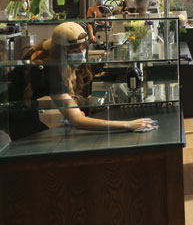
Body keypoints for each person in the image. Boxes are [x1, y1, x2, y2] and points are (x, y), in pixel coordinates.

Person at [7, 22, 155, 140]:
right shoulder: (50, 71)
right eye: (76, 51)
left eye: (83, 49)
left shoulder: (48, 50)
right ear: (62, 52)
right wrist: (128, 125)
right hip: (12, 117)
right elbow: (77, 121)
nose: (82, 54)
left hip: (23, 112)